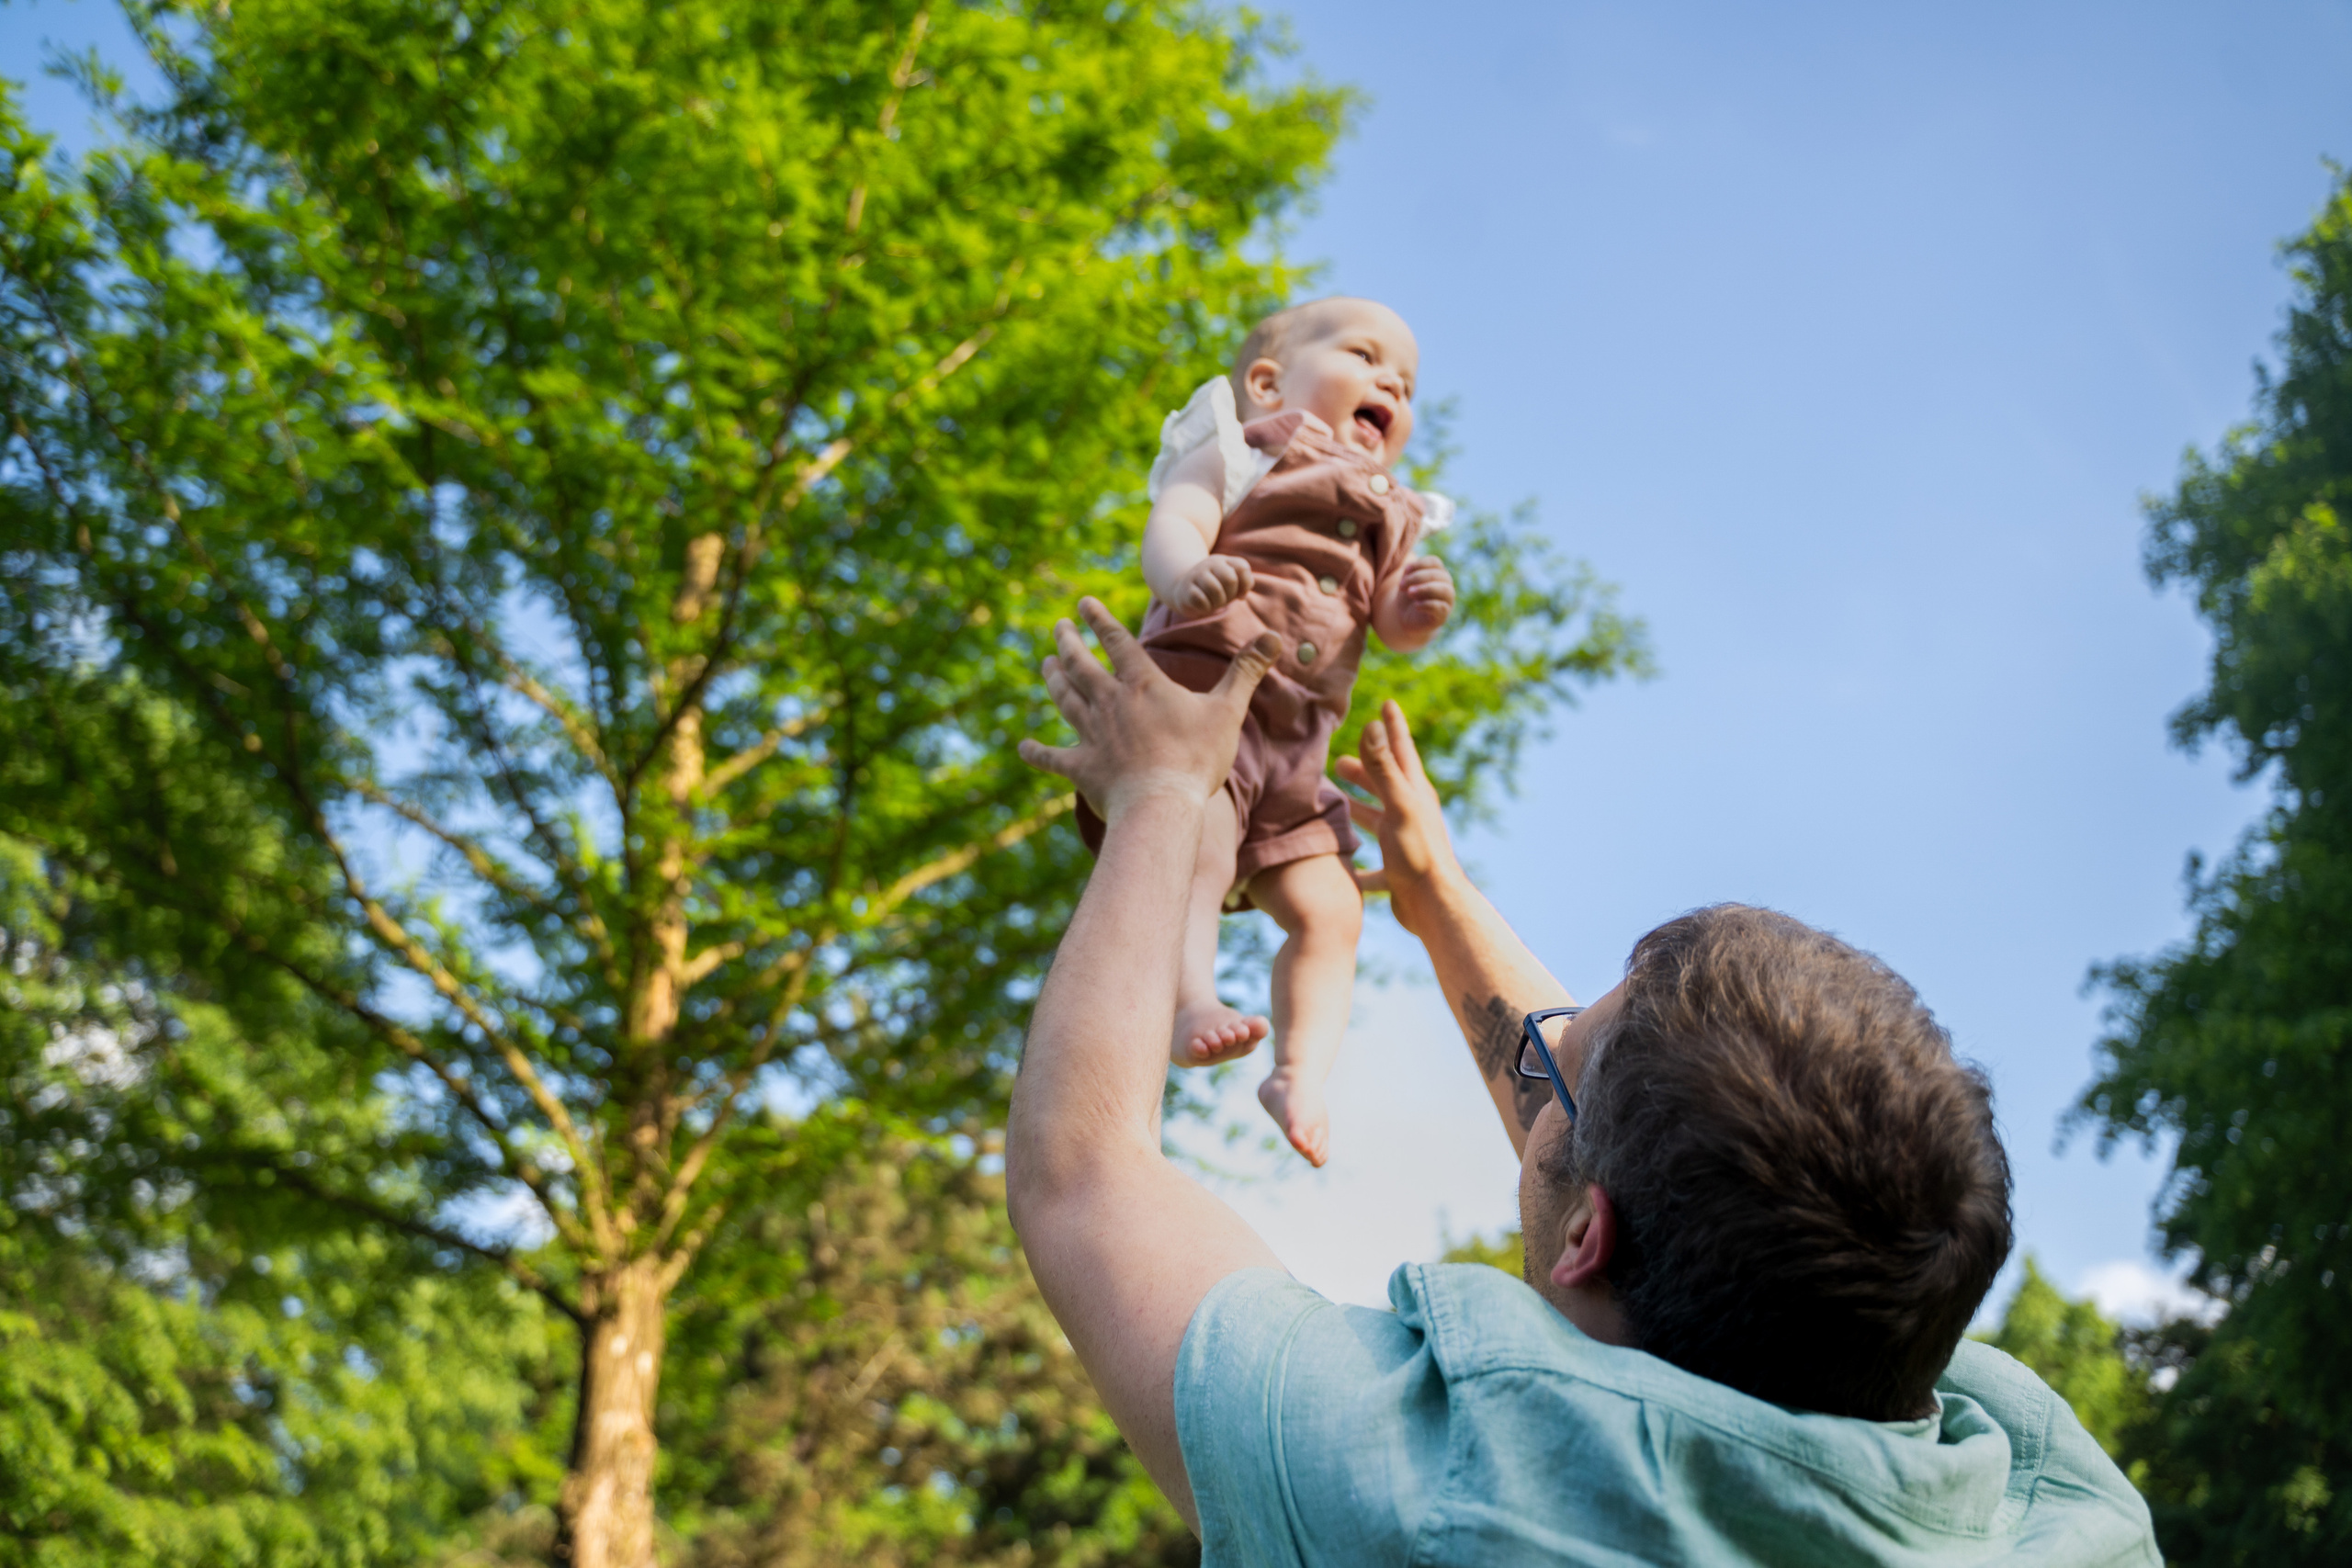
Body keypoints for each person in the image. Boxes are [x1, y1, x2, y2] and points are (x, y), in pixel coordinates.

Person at [1008, 598, 2161, 1567]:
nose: (1536, 1053)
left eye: (1561, 1064)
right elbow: (1673, 1175)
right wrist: (1438, 896)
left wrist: (1161, 791)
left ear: (1585, 1241)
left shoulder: (1445, 1499)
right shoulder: (2058, 1503)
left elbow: (1082, 1173)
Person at [1073, 296, 1458, 1166]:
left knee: (1332, 910)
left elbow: (1390, 625)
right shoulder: (1247, 446)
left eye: (1405, 381)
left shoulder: (1393, 511)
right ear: (1267, 381)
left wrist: (1414, 611)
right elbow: (1177, 514)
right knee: (1195, 850)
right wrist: (1185, 568)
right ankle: (1190, 1002)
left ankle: (1299, 1070)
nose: (1391, 383)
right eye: (1365, 356)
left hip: (1296, 752)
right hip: (1202, 705)